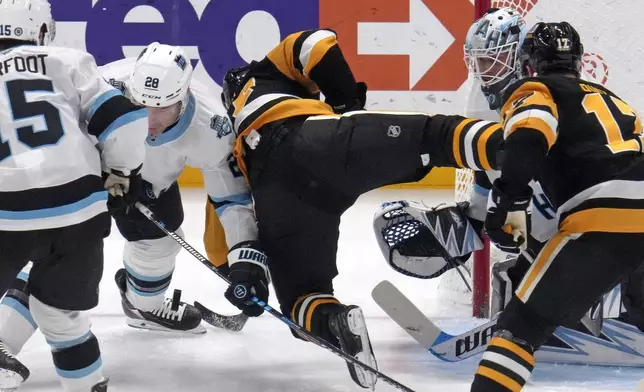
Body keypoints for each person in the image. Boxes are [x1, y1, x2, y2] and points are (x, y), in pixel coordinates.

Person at [220, 28, 504, 389]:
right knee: (436, 136)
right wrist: (345, 103)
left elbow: (231, 208)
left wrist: (243, 271)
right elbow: (317, 42)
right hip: (314, 143)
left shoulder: (230, 141)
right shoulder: (263, 73)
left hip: (278, 192)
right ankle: (519, 150)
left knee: (302, 300)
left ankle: (338, 323)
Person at [0, 42, 259, 343]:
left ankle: (143, 308)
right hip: (87, 174)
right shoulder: (106, 82)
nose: (150, 120)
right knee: (56, 252)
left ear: (183, 97)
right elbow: (58, 127)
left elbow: (231, 199)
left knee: (163, 245)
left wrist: (245, 259)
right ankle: (4, 341)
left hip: (151, 185)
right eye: (141, 105)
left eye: (161, 107)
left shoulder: (212, 128)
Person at [470, 21, 644, 391]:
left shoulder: (534, 88)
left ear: (528, 64)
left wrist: (508, 198)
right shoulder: (616, 101)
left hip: (601, 221)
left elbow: (530, 134)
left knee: (522, 326)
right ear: (578, 62)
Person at [0, 0, 148, 390]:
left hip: (4, 214)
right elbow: (125, 120)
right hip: (78, 211)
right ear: (42, 31)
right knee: (60, 317)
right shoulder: (66, 59)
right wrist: (120, 173)